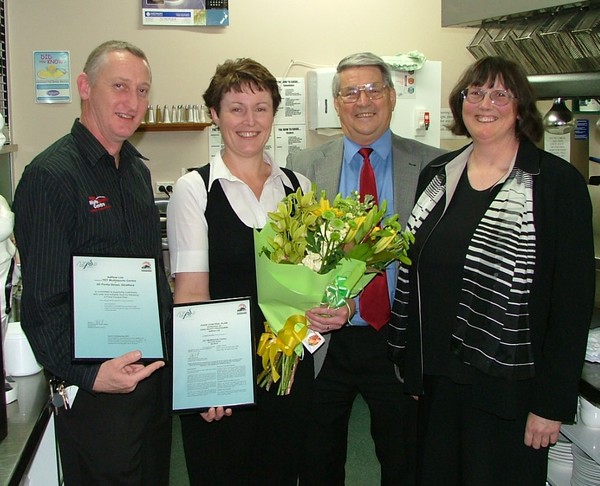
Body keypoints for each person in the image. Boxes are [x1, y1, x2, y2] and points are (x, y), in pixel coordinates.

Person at [388, 56, 595, 485]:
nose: (486, 103)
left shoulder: (555, 184)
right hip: (437, 384)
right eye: (476, 92)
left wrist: (551, 403)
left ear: (520, 106)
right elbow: (417, 275)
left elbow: (572, 305)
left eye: (501, 94)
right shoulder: (438, 176)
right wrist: (412, 370)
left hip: (510, 391)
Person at [12, 40, 172, 485]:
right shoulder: (50, 177)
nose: (132, 102)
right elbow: (42, 303)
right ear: (85, 86)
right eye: (119, 86)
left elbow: (153, 281)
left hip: (149, 383)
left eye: (142, 90)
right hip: (99, 389)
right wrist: (90, 375)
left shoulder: (137, 173)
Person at [287, 51, 445, 485]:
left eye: (374, 89)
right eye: (350, 92)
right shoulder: (303, 167)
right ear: (336, 104)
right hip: (324, 342)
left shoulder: (435, 167)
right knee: (317, 461)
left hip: (398, 339)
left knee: (405, 460)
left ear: (392, 97)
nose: (363, 101)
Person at [167, 58, 313, 485]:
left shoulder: (298, 187)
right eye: (235, 108)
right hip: (224, 376)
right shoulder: (195, 190)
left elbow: (310, 283)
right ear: (215, 115)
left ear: (273, 114)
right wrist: (207, 382)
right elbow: (192, 294)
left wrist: (329, 311)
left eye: (261, 107)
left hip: (288, 372)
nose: (249, 121)